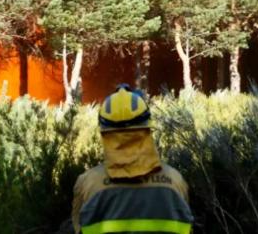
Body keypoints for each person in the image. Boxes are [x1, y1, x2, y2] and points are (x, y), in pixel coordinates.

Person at [72, 84, 194, 234]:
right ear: (148, 127)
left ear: (103, 131)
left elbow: (77, 228)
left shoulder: (88, 184)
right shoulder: (174, 181)